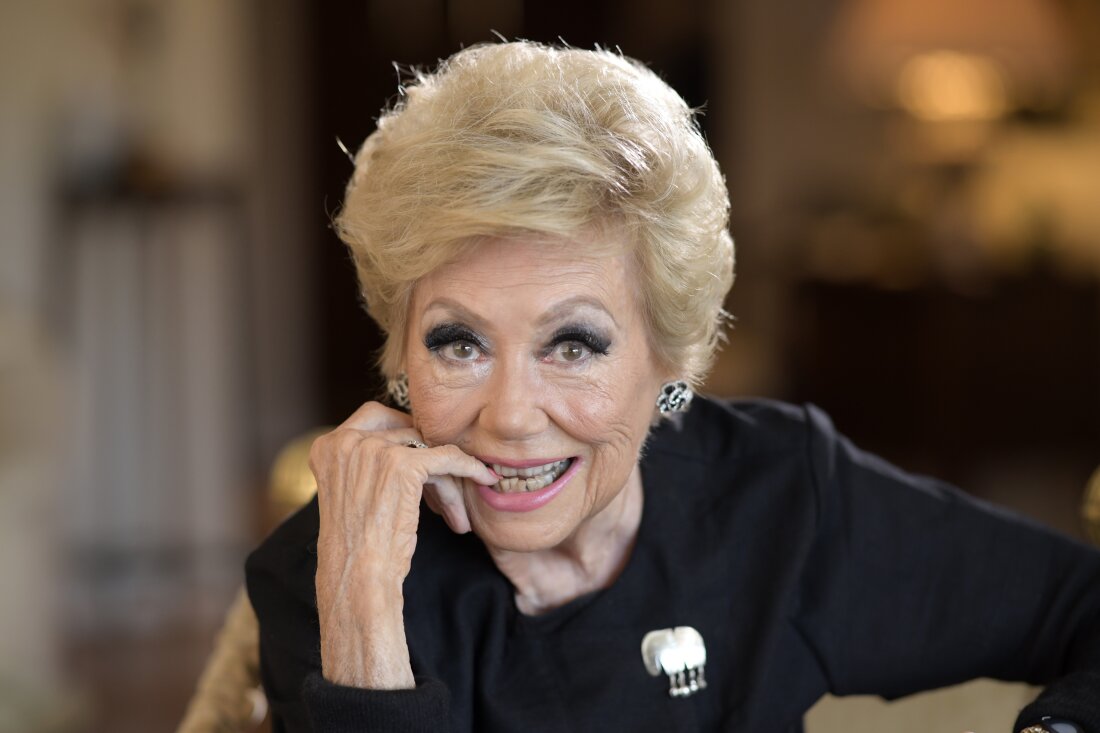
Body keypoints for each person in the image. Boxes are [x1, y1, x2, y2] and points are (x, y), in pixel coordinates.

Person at [246, 41, 1100, 733]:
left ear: (672, 361)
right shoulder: (326, 574)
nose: (508, 416)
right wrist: (361, 617)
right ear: (401, 361)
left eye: (573, 344)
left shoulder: (774, 500)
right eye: (459, 343)